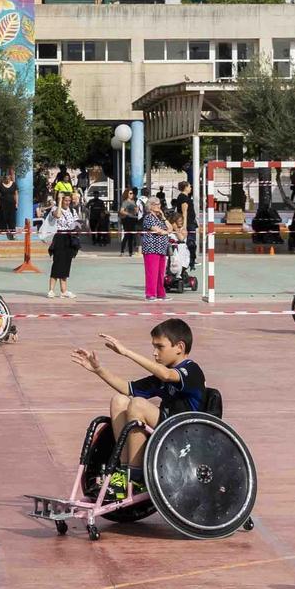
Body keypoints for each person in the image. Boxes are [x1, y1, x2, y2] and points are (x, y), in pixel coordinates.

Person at [71, 320, 205, 468]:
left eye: (160, 347)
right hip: (168, 427)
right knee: (119, 400)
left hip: (186, 433)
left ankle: (134, 473)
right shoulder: (162, 376)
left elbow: (166, 375)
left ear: (180, 347)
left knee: (138, 404)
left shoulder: (192, 370)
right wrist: (98, 370)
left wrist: (126, 352)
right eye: (154, 347)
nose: (154, 353)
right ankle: (123, 467)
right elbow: (127, 388)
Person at [43, 188, 83, 299]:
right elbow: (58, 215)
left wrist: (77, 226)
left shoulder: (72, 211)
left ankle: (64, 290)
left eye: (69, 200)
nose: (68, 202)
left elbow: (77, 223)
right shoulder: (55, 209)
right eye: (66, 200)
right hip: (59, 237)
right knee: (57, 263)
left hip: (69, 238)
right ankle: (51, 290)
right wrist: (59, 202)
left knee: (66, 263)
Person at [138, 195, 174, 300]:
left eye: (159, 204)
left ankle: (160, 294)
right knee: (152, 272)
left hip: (162, 248)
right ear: (151, 206)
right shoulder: (148, 217)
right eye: (156, 204)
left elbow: (170, 228)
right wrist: (165, 232)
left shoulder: (159, 218)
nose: (159, 206)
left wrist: (164, 217)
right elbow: (158, 231)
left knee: (160, 273)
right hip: (151, 248)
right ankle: (150, 294)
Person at [118, 187, 142, 258]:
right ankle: (122, 251)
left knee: (131, 236)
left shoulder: (134, 201)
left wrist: (136, 210)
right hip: (127, 220)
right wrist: (128, 214)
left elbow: (135, 211)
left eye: (132, 193)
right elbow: (121, 210)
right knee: (127, 235)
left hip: (133, 220)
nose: (132, 195)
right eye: (130, 193)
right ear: (127, 194)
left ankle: (130, 252)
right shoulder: (125, 202)